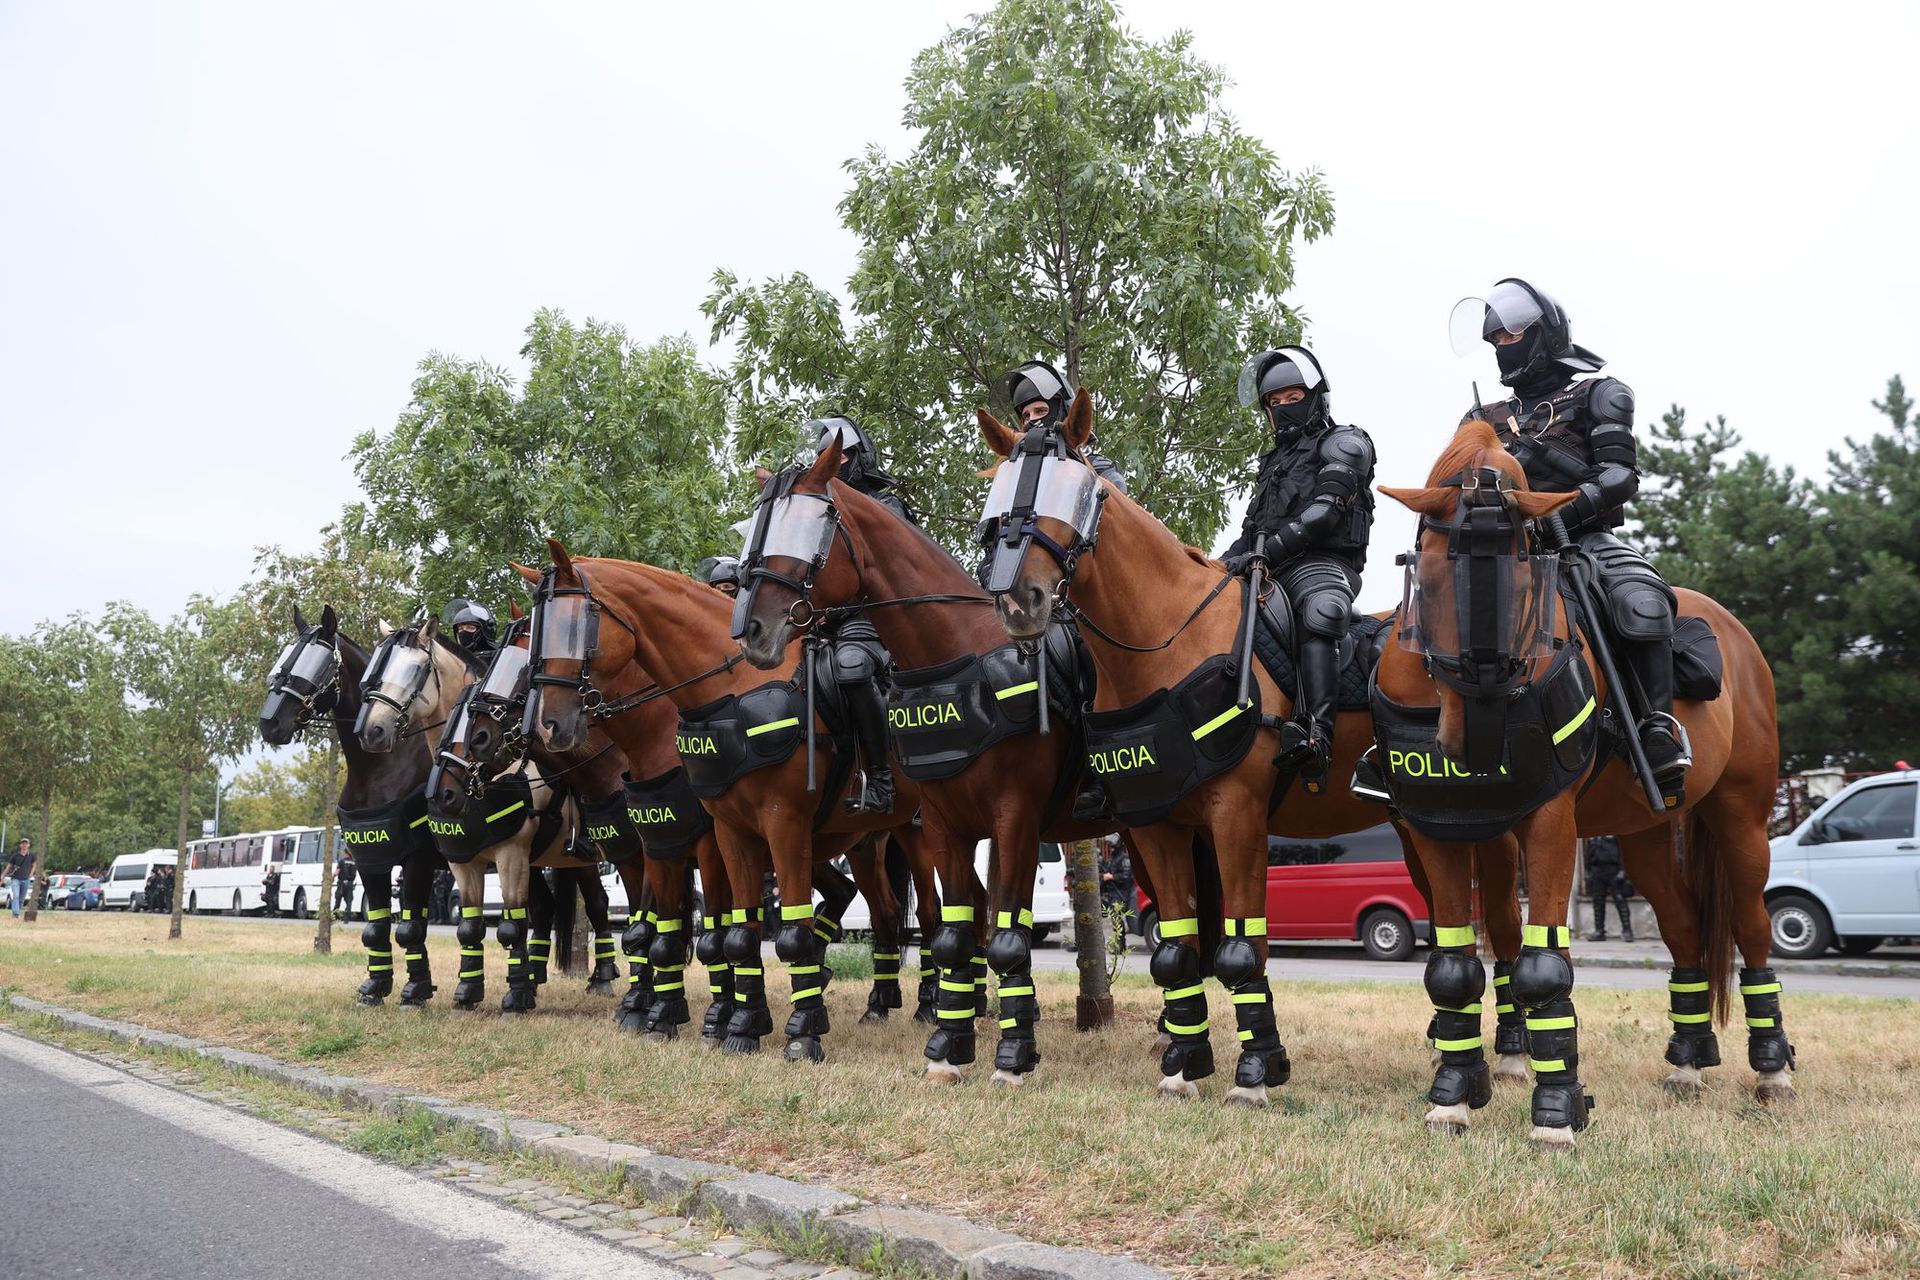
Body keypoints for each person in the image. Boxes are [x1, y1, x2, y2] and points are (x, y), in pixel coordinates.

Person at [1456, 278, 1689, 788]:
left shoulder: (1600, 393)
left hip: (1581, 539)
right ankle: (1397, 738)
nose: (1502, 348)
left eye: (1512, 336)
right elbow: (1457, 487)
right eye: (1495, 341)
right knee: (1421, 614)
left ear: (1545, 334)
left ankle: (1656, 729)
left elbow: (1618, 476)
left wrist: (1556, 516)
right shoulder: (1481, 417)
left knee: (1643, 600)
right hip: (1498, 549)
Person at [1222, 346, 1376, 777]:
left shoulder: (1345, 442)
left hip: (1322, 565)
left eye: (1293, 398)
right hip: (1267, 567)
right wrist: (1213, 566)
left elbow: (1325, 513)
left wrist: (1264, 553)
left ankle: (1317, 734)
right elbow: (1252, 529)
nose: (1284, 409)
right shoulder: (1272, 463)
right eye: (1275, 403)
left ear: (1315, 396)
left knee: (1320, 611)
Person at [806, 417, 905, 814]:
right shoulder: (816, 514)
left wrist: (836, 612)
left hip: (874, 618)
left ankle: (882, 779)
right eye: (827, 459)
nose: (836, 464)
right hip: (823, 620)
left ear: (860, 458)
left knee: (851, 667)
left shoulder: (886, 506)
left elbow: (893, 576)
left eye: (842, 456)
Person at [1000, 360, 1129, 491]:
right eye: (1026, 416)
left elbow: (1117, 502)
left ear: (1062, 413)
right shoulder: (1014, 473)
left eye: (1040, 411)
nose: (1031, 420)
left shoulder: (1099, 467)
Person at [1584, 835, 1635, 942]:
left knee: (1620, 900)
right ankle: (1599, 931)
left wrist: (1622, 870)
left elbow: (1623, 852)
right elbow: (1588, 854)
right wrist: (1588, 871)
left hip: (1613, 870)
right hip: (1597, 870)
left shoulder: (1614, 833)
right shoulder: (1593, 835)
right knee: (1598, 901)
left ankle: (1627, 931)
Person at [6, 838, 35, 918]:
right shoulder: (15, 856)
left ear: (29, 845)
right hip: (16, 879)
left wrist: (31, 874)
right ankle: (16, 914)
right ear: (20, 845)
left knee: (21, 899)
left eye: (26, 843)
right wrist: (2, 876)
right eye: (23, 843)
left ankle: (15, 913)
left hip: (26, 879)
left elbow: (34, 865)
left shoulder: (31, 855)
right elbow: (9, 867)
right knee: (16, 896)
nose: (24, 845)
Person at [334, 853, 357, 918]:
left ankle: (335, 915)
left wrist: (332, 876)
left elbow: (337, 871)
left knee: (338, 899)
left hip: (342, 884)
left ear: (346, 854)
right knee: (349, 901)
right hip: (350, 883)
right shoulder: (354, 862)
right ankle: (347, 918)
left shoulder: (341, 861)